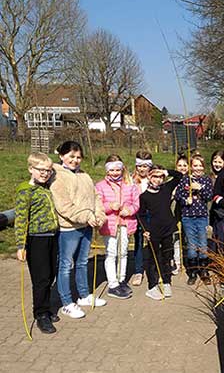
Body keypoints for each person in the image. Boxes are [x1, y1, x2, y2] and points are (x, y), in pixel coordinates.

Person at [50, 141, 107, 319]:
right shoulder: (57, 177)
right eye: (71, 156)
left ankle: (84, 295)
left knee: (82, 262)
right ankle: (67, 302)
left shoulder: (85, 176)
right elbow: (63, 206)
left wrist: (99, 215)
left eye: (78, 157)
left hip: (87, 226)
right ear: (61, 156)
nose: (75, 160)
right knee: (66, 265)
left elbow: (95, 197)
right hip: (69, 228)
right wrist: (85, 216)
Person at [15, 153, 59, 333]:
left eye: (48, 170)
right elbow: (20, 218)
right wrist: (20, 245)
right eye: (41, 170)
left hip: (52, 236)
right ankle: (40, 314)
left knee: (51, 275)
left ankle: (47, 307)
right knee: (41, 278)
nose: (45, 173)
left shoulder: (47, 188)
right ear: (30, 169)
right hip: (36, 238)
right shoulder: (26, 190)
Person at [95, 155, 140, 300]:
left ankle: (121, 279)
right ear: (107, 170)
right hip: (110, 224)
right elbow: (98, 205)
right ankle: (113, 284)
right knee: (111, 252)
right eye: (112, 170)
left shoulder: (130, 184)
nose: (115, 173)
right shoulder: (100, 186)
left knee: (123, 252)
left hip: (125, 223)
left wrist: (129, 210)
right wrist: (109, 207)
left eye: (118, 170)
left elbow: (136, 203)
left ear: (122, 169)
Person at [139, 165, 182, 300]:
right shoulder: (144, 196)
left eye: (160, 177)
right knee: (153, 259)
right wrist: (145, 230)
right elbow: (141, 215)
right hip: (154, 231)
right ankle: (152, 286)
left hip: (168, 229)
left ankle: (166, 281)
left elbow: (179, 176)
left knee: (167, 256)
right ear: (149, 177)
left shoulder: (166, 188)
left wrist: (166, 171)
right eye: (155, 176)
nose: (158, 179)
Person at [175, 154, 213, 285]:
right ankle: (192, 271)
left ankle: (203, 270)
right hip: (188, 217)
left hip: (202, 217)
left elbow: (209, 196)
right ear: (191, 167)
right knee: (191, 246)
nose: (197, 168)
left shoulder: (206, 180)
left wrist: (200, 188)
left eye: (200, 166)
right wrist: (186, 200)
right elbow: (178, 195)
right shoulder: (185, 180)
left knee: (203, 244)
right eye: (195, 165)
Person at [131, 150, 153, 286]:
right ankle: (139, 271)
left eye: (145, 166)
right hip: (138, 214)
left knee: (153, 241)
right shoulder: (132, 180)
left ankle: (154, 267)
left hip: (152, 213)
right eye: (139, 166)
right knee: (138, 242)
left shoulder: (154, 178)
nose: (142, 169)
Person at [172, 155, 189, 275]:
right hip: (174, 212)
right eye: (180, 165)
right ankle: (177, 262)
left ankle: (188, 262)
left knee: (187, 238)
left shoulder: (191, 180)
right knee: (176, 238)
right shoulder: (172, 181)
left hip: (188, 212)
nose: (182, 168)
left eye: (185, 165)